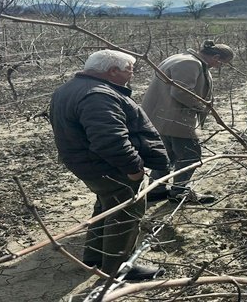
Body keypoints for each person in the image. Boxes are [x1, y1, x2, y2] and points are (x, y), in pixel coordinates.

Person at [49, 49, 169, 280]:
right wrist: (133, 169)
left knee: (106, 204)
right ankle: (119, 268)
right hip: (107, 166)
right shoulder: (98, 96)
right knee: (125, 212)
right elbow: (110, 140)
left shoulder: (69, 88)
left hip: (86, 163)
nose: (131, 75)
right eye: (129, 71)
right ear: (112, 71)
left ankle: (95, 256)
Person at [141, 40, 234, 204]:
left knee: (166, 156)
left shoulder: (181, 58)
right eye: (222, 63)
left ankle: (156, 190)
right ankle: (179, 193)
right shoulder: (190, 63)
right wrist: (202, 107)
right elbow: (181, 92)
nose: (220, 67)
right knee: (190, 156)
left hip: (162, 117)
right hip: (175, 119)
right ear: (216, 57)